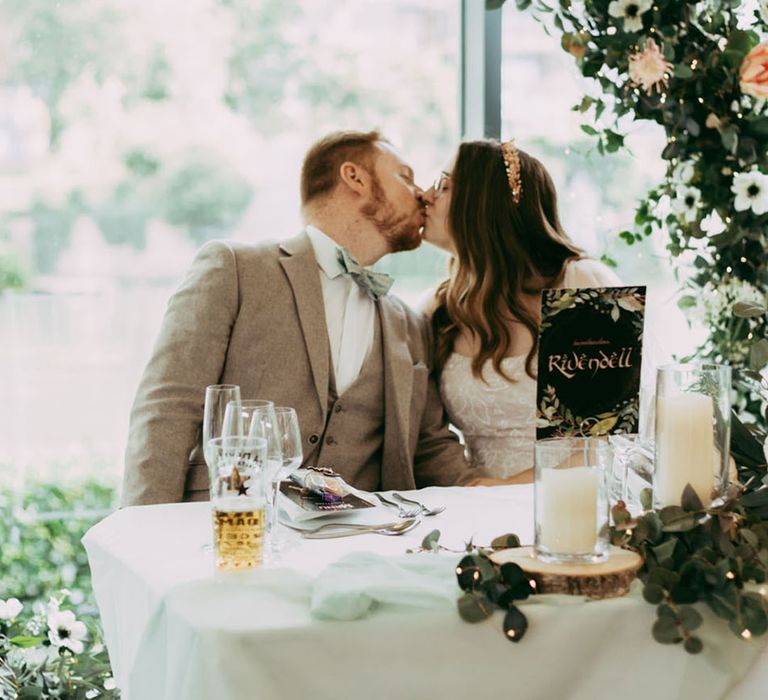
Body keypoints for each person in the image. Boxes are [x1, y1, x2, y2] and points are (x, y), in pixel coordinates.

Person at [122, 129, 484, 506]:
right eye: (405, 177)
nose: (423, 193)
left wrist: (513, 489)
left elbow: (428, 448)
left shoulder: (410, 323)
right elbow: (167, 408)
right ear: (354, 178)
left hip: (359, 545)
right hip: (231, 526)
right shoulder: (235, 270)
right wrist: (145, 530)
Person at [421, 139, 623, 484]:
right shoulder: (440, 308)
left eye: (444, 184)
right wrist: (472, 487)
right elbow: (427, 438)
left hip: (572, 502)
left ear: (483, 203)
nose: (426, 195)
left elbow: (606, 442)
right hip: (476, 513)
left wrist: (504, 489)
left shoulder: (580, 285)